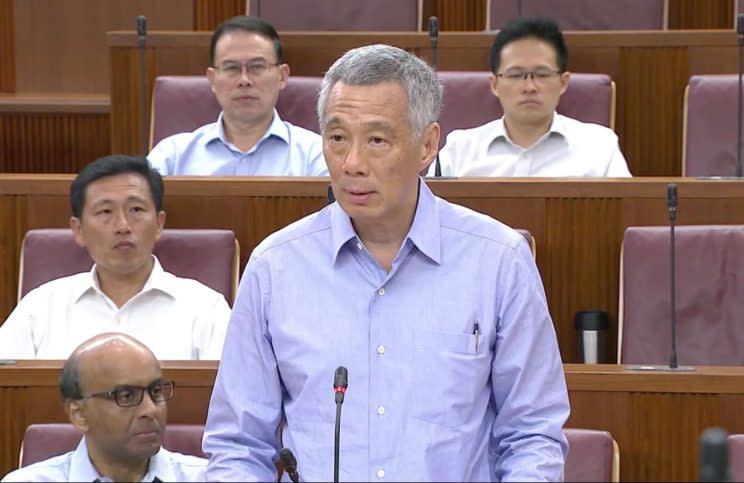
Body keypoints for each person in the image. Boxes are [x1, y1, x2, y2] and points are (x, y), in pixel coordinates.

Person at [203, 44, 569, 481]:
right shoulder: (274, 268)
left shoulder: (498, 261)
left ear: (427, 145)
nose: (352, 163)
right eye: (337, 139)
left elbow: (532, 436)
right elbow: (239, 447)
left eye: (377, 140)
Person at [0, 155, 230, 359]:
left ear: (159, 224)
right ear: (78, 230)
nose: (123, 226)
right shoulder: (41, 306)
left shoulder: (206, 308)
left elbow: (226, 398)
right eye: (105, 212)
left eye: (136, 210)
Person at [430, 16, 632, 177]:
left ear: (563, 82)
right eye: (516, 75)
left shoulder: (599, 147)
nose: (529, 87)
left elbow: (623, 216)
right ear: (494, 84)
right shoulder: (459, 150)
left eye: (542, 75)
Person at [1, 333, 207, 482]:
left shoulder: (208, 478)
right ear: (79, 414)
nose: (150, 410)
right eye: (126, 396)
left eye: (155, 392)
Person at [147, 15, 328, 176]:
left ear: (282, 76)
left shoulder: (315, 155)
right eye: (231, 68)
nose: (244, 80)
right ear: (212, 79)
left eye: (257, 67)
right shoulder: (173, 155)